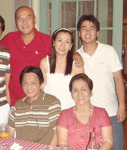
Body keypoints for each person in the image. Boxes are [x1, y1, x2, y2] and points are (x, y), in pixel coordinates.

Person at [0, 6, 83, 106]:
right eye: (20, 19)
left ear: (35, 20)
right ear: (16, 23)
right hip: (13, 102)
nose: (24, 22)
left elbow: (62, 49)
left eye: (28, 18)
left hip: (37, 102)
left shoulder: (46, 40)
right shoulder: (9, 39)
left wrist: (76, 54)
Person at [76, 15, 126, 150]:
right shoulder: (76, 56)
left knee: (116, 147)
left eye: (92, 28)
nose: (88, 32)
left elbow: (118, 79)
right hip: (86, 115)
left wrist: (122, 106)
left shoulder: (109, 51)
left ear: (97, 32)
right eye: (84, 28)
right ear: (79, 33)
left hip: (110, 112)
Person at [57, 73, 113, 150]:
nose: (80, 93)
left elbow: (108, 142)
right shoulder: (64, 114)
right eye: (75, 90)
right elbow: (62, 144)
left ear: (90, 92)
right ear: (71, 94)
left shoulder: (102, 113)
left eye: (83, 89)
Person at [8, 66, 61, 145]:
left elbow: (57, 133)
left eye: (33, 83)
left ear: (40, 83)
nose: (29, 87)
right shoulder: (18, 105)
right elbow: (10, 132)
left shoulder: (52, 103)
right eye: (25, 83)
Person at [40, 28, 84, 110]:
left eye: (67, 42)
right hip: (49, 112)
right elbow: (42, 89)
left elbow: (83, 91)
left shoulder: (76, 64)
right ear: (53, 42)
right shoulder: (45, 63)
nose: (62, 45)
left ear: (71, 46)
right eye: (59, 40)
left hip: (71, 113)